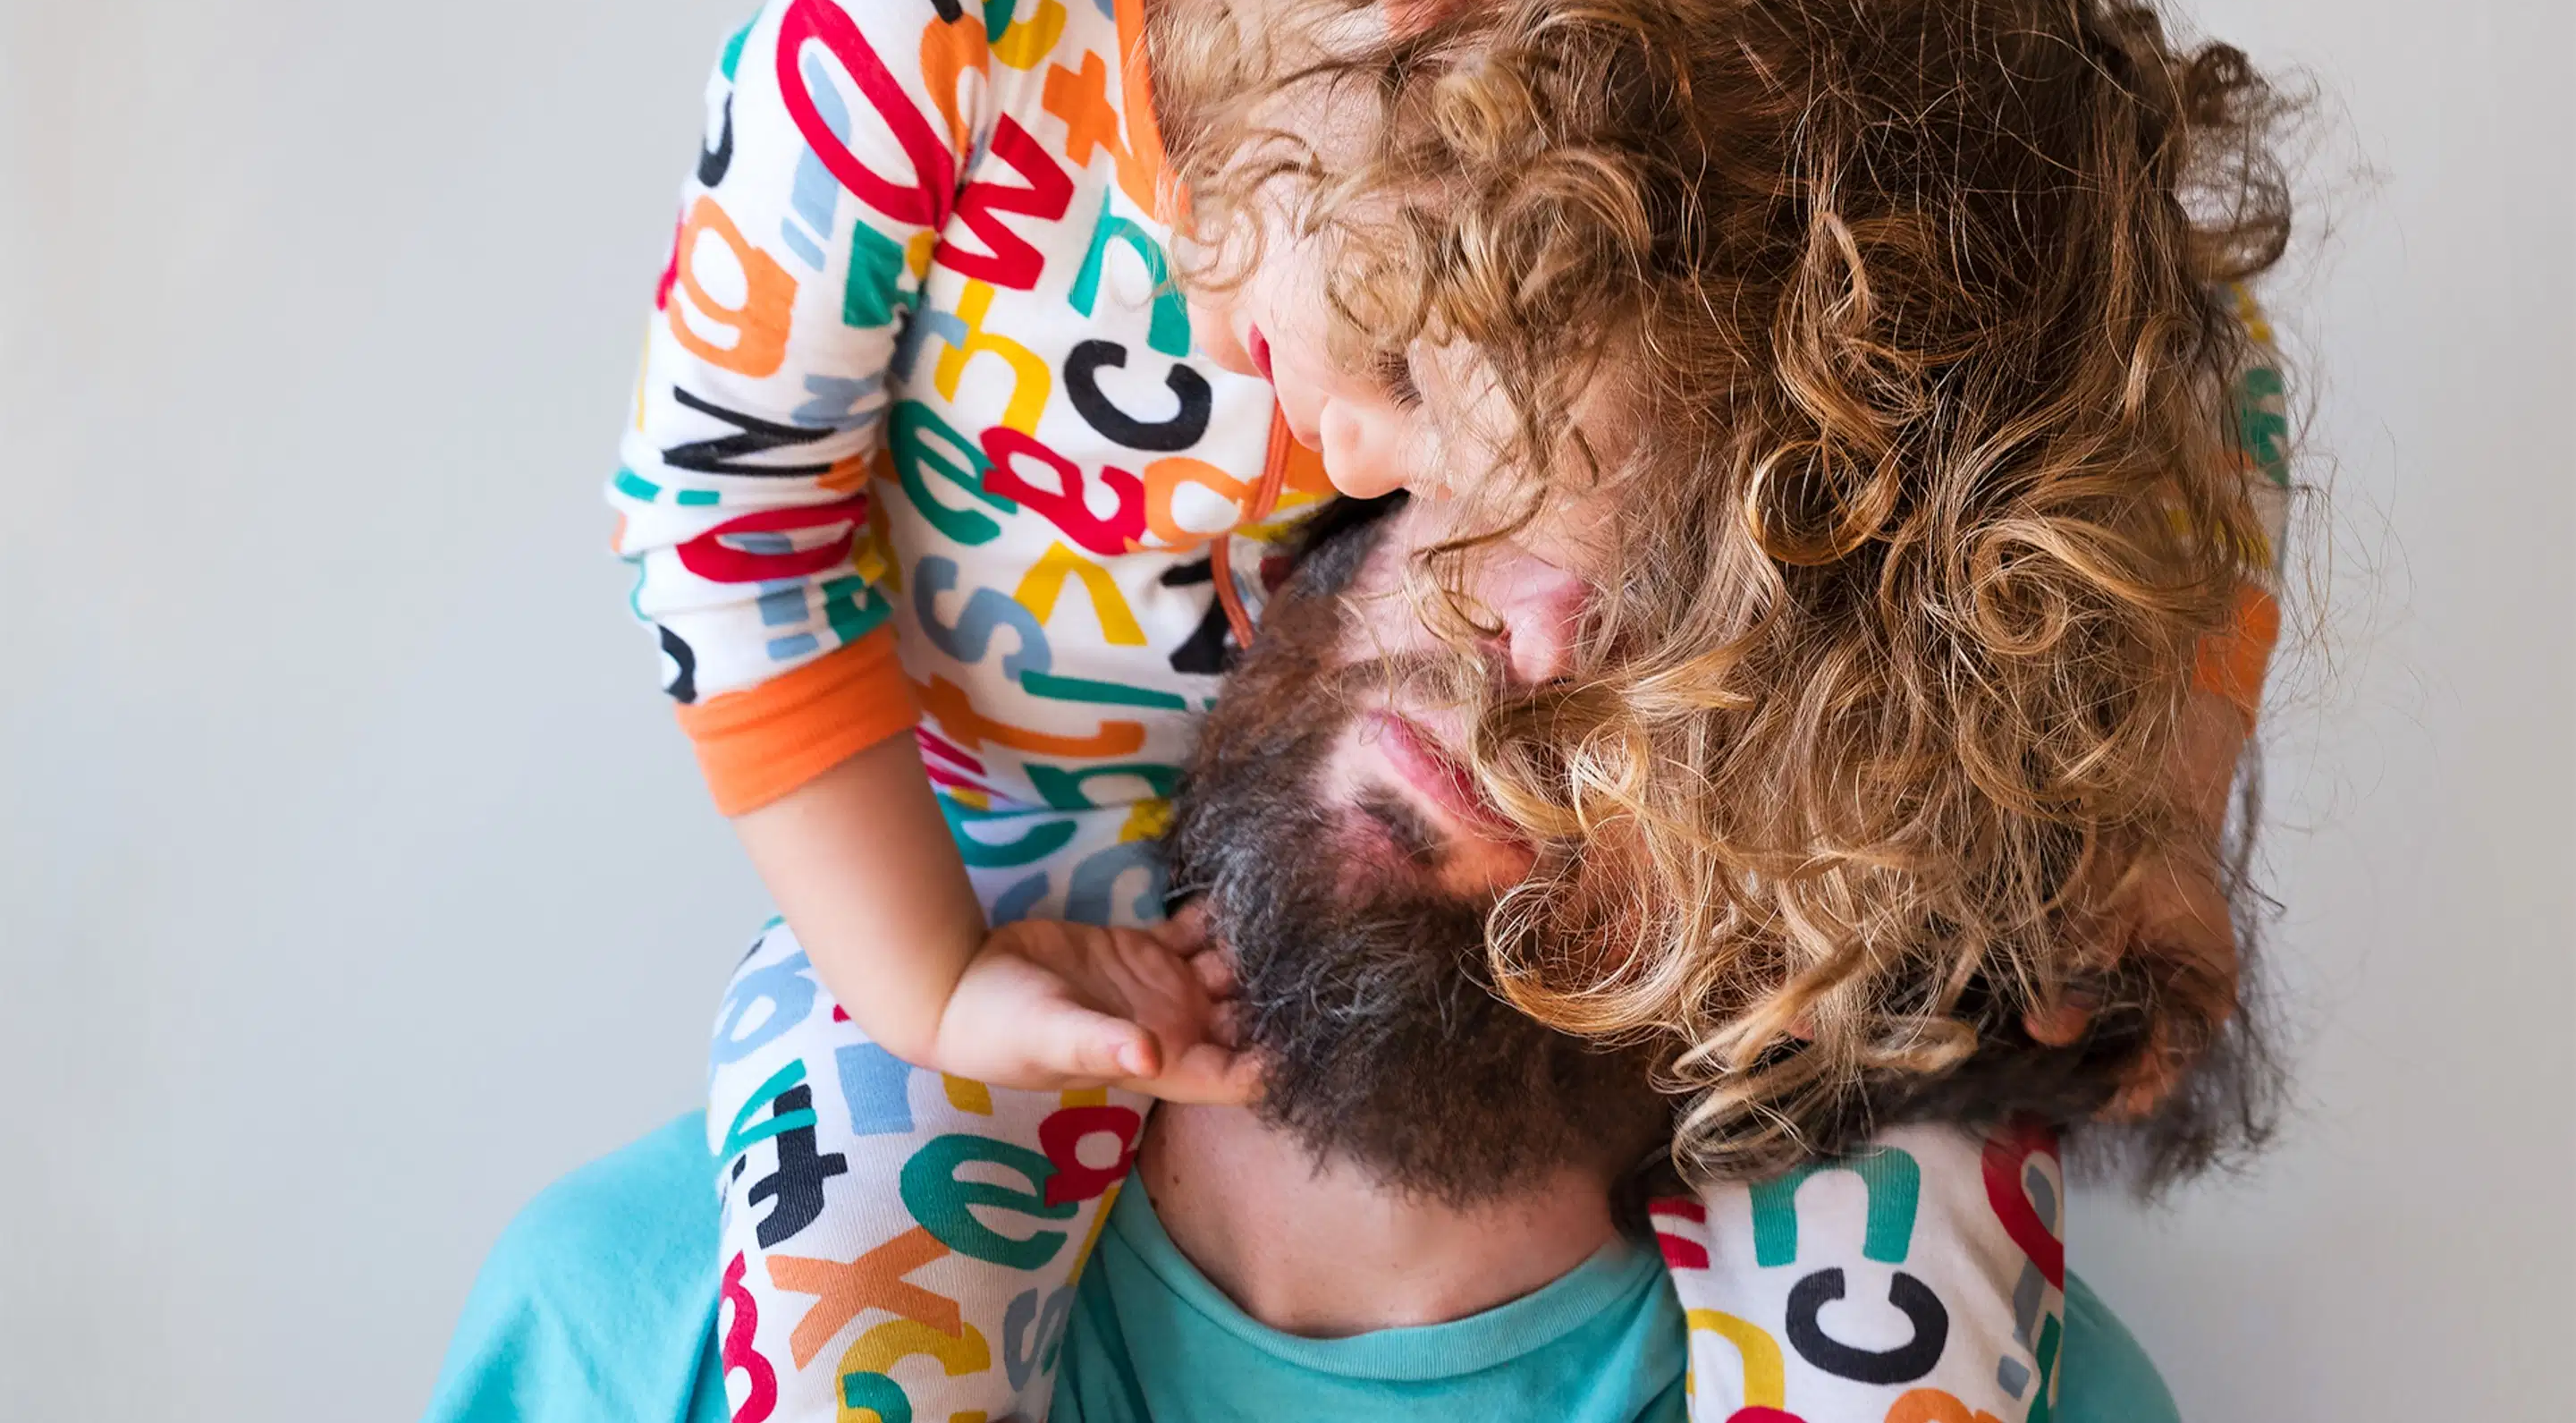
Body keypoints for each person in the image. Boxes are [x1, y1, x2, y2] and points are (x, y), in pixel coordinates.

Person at [609, 0, 2295, 1416]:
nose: (1338, 466)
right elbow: (724, 499)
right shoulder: (934, 38)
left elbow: (2204, 375)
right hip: (981, 854)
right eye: (1407, 376)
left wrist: (2151, 833)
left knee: (1917, 1245)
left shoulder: (1654, 144)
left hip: (1744, 957)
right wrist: (927, 980)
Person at [432, 496, 2208, 1421]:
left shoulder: (2047, 1405)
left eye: (1728, 615)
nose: (1540, 626)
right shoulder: (634, 1327)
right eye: (1521, 454)